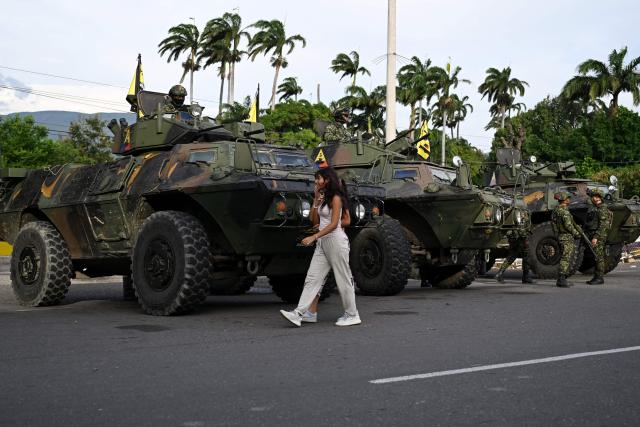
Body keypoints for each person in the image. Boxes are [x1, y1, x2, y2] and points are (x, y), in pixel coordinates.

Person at [280, 167, 361, 327]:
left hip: (335, 241)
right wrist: (316, 202)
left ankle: (352, 314)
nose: (316, 181)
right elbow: (314, 221)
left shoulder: (337, 198)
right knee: (312, 278)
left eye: (318, 178)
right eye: (315, 179)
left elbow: (334, 225)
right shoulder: (324, 198)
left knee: (343, 278)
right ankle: (299, 313)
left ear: (328, 180)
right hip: (323, 242)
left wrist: (313, 237)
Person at [551, 192, 583, 288]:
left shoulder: (555, 211)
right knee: (566, 258)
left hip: (560, 236)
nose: (569, 199)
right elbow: (568, 225)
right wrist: (576, 233)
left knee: (564, 257)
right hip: (566, 237)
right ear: (564, 200)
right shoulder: (564, 212)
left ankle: (562, 278)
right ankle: (561, 279)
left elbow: (553, 224)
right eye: (568, 198)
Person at [585, 189, 613, 285]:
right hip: (595, 234)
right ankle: (597, 276)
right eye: (593, 196)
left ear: (600, 198)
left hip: (599, 235)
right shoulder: (597, 207)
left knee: (598, 256)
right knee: (597, 255)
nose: (595, 198)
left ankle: (599, 277)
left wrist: (596, 237)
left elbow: (603, 225)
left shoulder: (602, 208)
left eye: (597, 196)